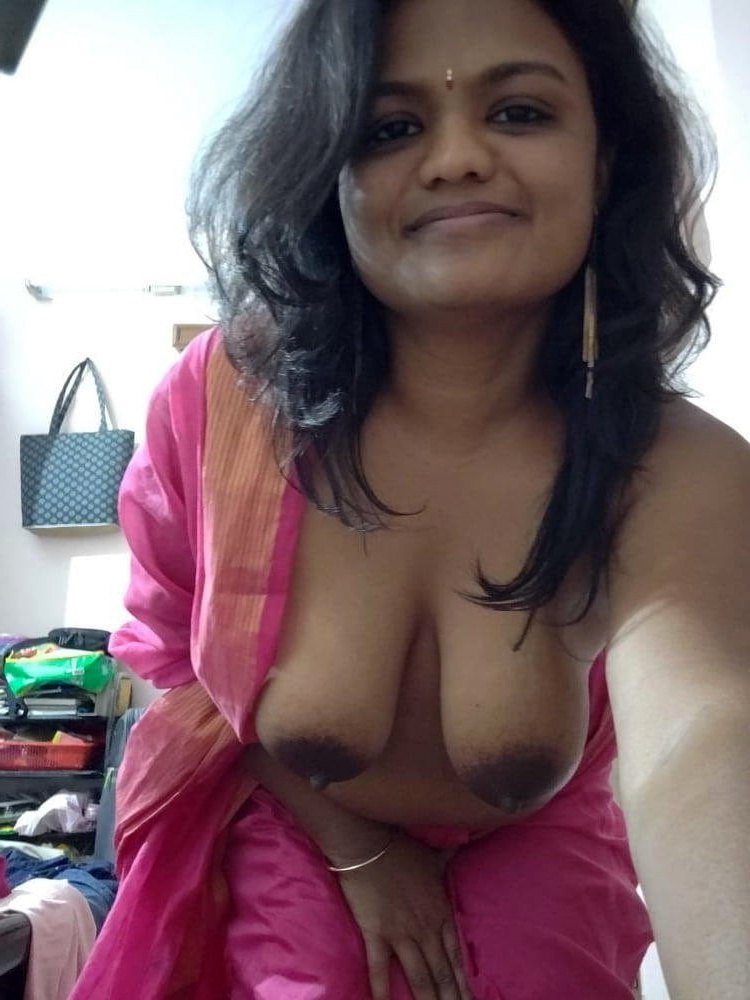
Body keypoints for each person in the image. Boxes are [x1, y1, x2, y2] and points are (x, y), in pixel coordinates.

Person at [72, 0, 750, 998]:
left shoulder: (671, 462)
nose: (458, 158)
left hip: (545, 850)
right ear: (329, 178)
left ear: (607, 162)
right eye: (391, 128)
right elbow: (175, 662)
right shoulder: (226, 409)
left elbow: (703, 737)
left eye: (519, 112)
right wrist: (359, 851)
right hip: (291, 824)